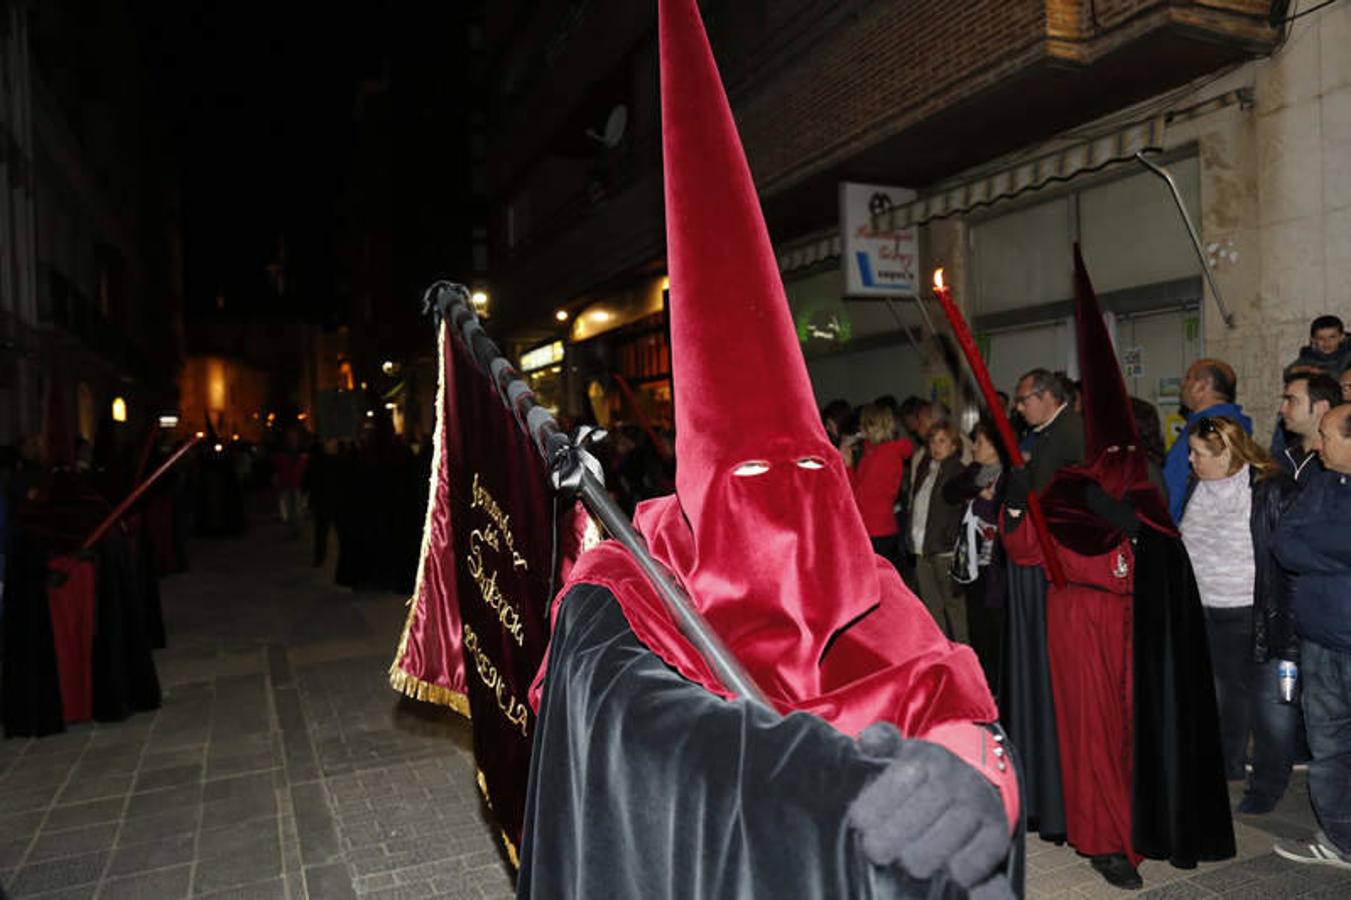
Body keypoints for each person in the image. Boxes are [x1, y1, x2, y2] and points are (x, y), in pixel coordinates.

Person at [520, 2, 1020, 895]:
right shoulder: (627, 583)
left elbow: (944, 678)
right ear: (705, 486)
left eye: (806, 472)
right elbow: (633, 723)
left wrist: (973, 767)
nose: (786, 503)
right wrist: (809, 775)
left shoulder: (860, 576)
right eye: (751, 477)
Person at [1004, 247, 1234, 889]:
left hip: (1138, 632)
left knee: (1134, 737)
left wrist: (1130, 549)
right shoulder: (1071, 482)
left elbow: (1160, 549)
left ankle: (1140, 828)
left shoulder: (1139, 482)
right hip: (1082, 623)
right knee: (1093, 735)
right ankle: (1104, 842)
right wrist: (1021, 506)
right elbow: (1028, 549)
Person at [1179, 416, 1301, 815]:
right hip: (1207, 609)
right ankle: (1227, 765)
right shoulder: (1198, 484)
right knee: (1222, 694)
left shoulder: (1269, 487)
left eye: (1197, 453)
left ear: (1225, 451)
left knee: (1270, 704)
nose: (1191, 461)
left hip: (1255, 611)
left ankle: (1267, 784)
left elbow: (1287, 553)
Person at [1001, 366, 1085, 843]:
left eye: (1023, 399)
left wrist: (1018, 498)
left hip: (1053, 567)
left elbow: (1046, 497)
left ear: (1048, 397)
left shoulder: (1069, 435)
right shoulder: (1046, 434)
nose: (1018, 408)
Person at [1272, 403, 1351, 870]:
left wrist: (1321, 546)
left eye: (1326, 435)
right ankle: (1342, 840)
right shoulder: (1320, 482)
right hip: (1319, 642)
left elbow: (1313, 542)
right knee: (1328, 750)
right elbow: (1285, 542)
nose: (1317, 445)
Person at [943, 419, 1008, 691]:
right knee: (977, 624)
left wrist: (987, 501)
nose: (975, 448)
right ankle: (985, 685)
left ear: (995, 447)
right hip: (975, 564)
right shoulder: (976, 471)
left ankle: (1000, 686)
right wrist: (978, 491)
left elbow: (1001, 514)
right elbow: (950, 491)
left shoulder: (1009, 474)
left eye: (980, 443)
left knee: (997, 630)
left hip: (998, 565)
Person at [1163, 358, 1251, 522]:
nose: (1183, 384)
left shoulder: (1204, 432)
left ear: (1202, 385)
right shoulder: (1236, 425)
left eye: (1188, 378)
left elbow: (1175, 488)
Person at [905, 419, 966, 641]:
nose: (936, 446)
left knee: (954, 607)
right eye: (933, 441)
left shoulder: (958, 471)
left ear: (954, 446)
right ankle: (941, 653)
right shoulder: (926, 468)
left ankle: (964, 655)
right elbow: (918, 504)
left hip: (944, 551)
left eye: (942, 441)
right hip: (922, 547)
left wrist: (948, 539)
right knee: (931, 607)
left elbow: (960, 512)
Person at [844, 403, 914, 570]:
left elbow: (860, 496)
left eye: (863, 424)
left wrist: (847, 467)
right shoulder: (874, 452)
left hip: (875, 530)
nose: (859, 428)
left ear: (871, 426)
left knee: (877, 585)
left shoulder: (884, 455)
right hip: (878, 527)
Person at [1277, 372, 1340, 483]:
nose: (1282, 409)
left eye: (1292, 401)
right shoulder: (1283, 454)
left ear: (1321, 407)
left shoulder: (1337, 462)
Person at [1284, 315, 1351, 381]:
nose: (1326, 342)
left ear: (1342, 337)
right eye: (1320, 338)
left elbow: (1340, 376)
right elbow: (1287, 373)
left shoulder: (1347, 354)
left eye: (1332, 337)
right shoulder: (1310, 355)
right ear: (1313, 340)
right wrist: (1304, 369)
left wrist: (1319, 372)